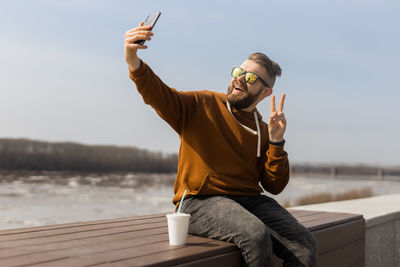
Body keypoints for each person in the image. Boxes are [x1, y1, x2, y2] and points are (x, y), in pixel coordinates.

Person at [124, 22, 318, 267]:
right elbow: (158, 93)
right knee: (255, 236)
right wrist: (133, 60)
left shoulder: (263, 127)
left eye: (250, 78)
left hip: (250, 201)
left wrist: (277, 141)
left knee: (306, 245)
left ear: (265, 92)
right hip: (199, 202)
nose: (240, 79)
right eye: (238, 72)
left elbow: (274, 185)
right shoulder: (202, 105)